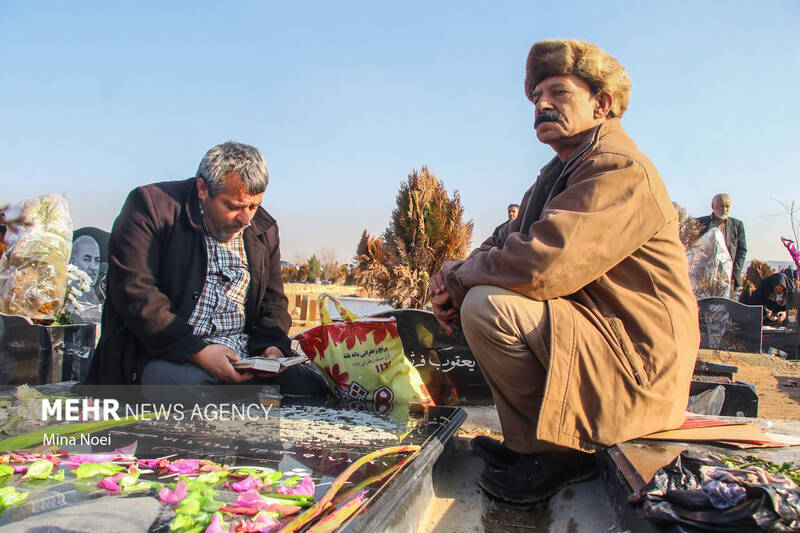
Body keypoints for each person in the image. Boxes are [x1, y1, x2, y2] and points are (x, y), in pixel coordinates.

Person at [428, 39, 699, 503]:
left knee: (489, 306)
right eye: (536, 98)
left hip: (635, 368)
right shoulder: (560, 172)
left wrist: (461, 279)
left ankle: (558, 450)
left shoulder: (620, 169)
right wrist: (452, 273)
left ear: (602, 103)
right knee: (480, 293)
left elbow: (543, 263)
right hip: (601, 347)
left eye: (558, 92)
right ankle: (528, 445)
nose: (543, 105)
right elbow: (505, 240)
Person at [86, 142, 324, 394]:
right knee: (199, 390)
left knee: (313, 388)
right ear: (202, 189)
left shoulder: (263, 229)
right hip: (165, 354)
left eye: (253, 206)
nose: (245, 219)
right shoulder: (150, 208)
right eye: (234, 206)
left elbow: (272, 302)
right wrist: (197, 352)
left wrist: (271, 348)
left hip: (242, 358)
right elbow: (136, 294)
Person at [696, 194, 747, 291]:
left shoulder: (737, 225)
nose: (725, 209)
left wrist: (734, 274)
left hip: (727, 276)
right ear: (713, 206)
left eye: (727, 206)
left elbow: (742, 251)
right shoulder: (700, 223)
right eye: (721, 206)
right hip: (704, 276)